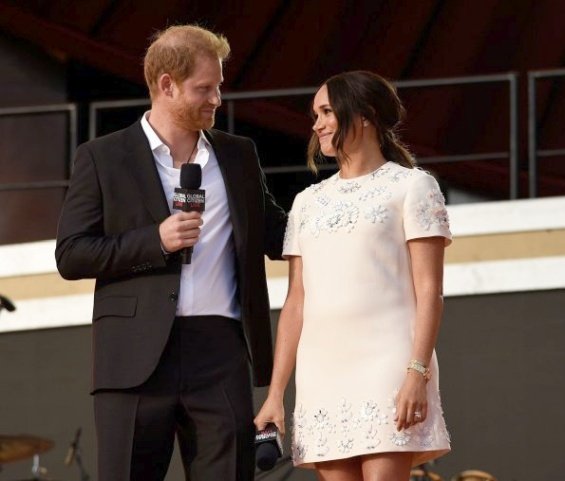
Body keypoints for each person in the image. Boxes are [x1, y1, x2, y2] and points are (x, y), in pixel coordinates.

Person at [55, 24, 286, 481]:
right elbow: (72, 254)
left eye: (219, 87)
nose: (216, 99)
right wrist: (155, 241)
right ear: (167, 85)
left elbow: (278, 233)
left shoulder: (240, 156)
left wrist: (349, 206)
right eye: (205, 88)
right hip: (133, 360)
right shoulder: (102, 156)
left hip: (220, 352)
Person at [254, 71, 452, 481]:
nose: (317, 124)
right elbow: (296, 302)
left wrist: (417, 372)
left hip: (390, 366)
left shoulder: (413, 187)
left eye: (327, 111)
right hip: (322, 374)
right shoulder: (307, 202)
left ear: (364, 115)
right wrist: (275, 394)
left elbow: (430, 291)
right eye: (315, 114)